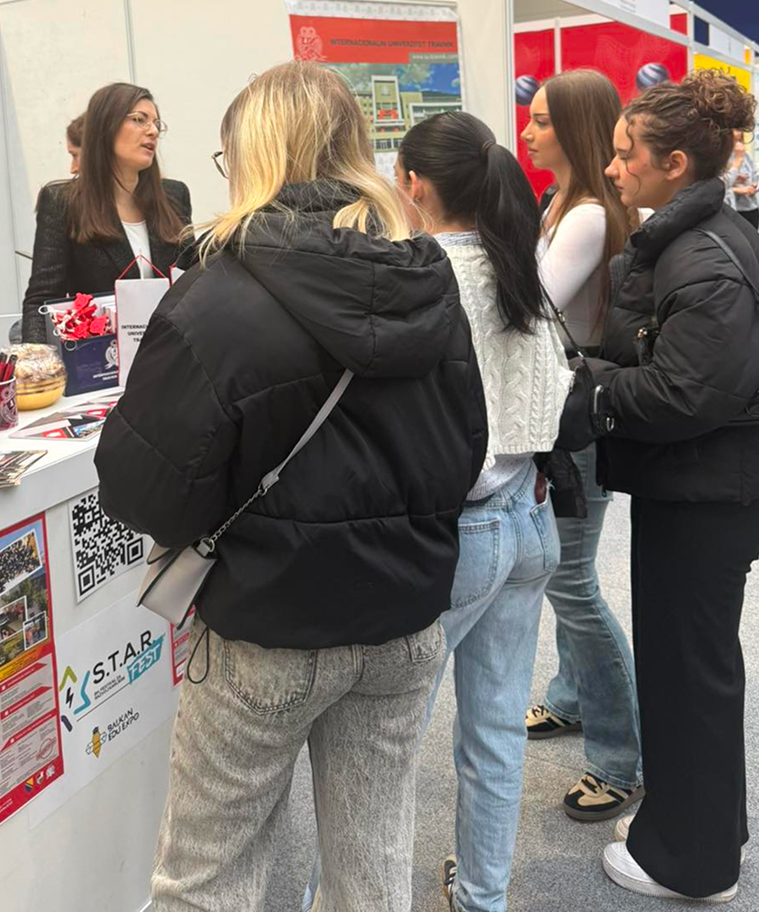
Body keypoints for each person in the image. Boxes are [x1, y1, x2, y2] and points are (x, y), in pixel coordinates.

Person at [95, 62, 487, 912]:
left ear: (252, 156)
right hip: (402, 620)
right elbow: (464, 452)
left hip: (264, 629)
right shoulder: (428, 282)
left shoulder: (214, 300)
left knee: (206, 879)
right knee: (372, 867)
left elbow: (141, 490)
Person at [393, 111, 571, 911]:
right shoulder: (516, 264)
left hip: (459, 532)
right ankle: (481, 898)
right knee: (494, 735)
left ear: (412, 183)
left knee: (378, 745)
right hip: (528, 512)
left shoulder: (419, 277)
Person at [589, 69, 759, 901]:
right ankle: (699, 829)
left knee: (688, 674)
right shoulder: (702, 239)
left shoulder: (702, 258)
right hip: (701, 488)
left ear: (675, 164)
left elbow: (687, 393)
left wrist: (586, 393)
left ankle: (692, 864)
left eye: (626, 154)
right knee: (690, 665)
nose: (612, 167)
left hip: (705, 494)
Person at [520, 69, 643, 821]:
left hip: (576, 418)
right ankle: (570, 696)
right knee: (562, 574)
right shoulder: (561, 203)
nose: (528, 131)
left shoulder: (589, 214)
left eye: (541, 120)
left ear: (573, 126)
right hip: (561, 413)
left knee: (571, 583)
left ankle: (620, 758)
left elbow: (531, 308)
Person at [22, 82, 192, 342]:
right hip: (100, 358)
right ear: (106, 127)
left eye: (157, 123)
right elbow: (41, 301)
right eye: (140, 120)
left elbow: (192, 282)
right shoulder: (62, 201)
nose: (153, 131)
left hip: (170, 352)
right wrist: (38, 360)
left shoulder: (174, 196)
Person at [724, 129, 758, 229]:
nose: (738, 145)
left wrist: (754, 186)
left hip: (751, 205)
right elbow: (720, 185)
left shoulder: (746, 155)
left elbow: (754, 174)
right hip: (735, 208)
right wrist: (739, 190)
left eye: (740, 140)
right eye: (735, 141)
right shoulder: (723, 158)